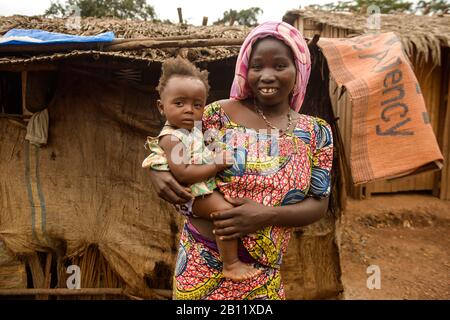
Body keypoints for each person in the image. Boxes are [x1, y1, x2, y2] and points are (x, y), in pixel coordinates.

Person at [147, 21, 334, 300]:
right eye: (257, 66)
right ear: (246, 70)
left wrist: (265, 215)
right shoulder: (216, 115)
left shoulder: (316, 132)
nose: (267, 75)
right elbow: (174, 141)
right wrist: (155, 170)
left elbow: (319, 204)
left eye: (280, 66)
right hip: (202, 262)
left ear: (299, 69)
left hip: (264, 273)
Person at [142, 56, 262, 281]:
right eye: (179, 103)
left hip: (202, 188)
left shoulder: (192, 130)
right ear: (161, 106)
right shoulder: (172, 138)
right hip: (194, 193)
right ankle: (231, 263)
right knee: (225, 214)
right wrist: (216, 163)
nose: (189, 110)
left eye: (197, 105)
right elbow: (183, 173)